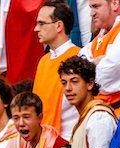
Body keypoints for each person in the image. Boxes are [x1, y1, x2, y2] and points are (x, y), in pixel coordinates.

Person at [31, 2, 81, 137]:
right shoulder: (43, 61)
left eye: (42, 24)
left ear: (59, 26)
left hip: (68, 138)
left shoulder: (79, 56)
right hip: (43, 140)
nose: (36, 29)